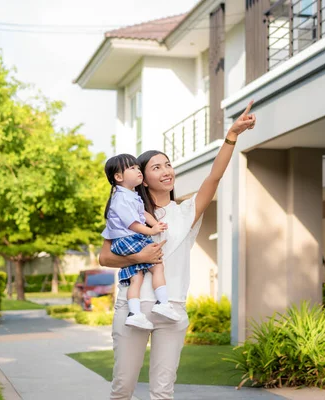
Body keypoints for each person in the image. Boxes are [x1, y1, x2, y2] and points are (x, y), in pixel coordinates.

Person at [99, 101, 256, 400]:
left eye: (168, 164)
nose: (167, 171)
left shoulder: (186, 212)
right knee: (122, 389)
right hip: (133, 309)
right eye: (156, 167)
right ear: (141, 177)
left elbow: (214, 177)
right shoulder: (126, 213)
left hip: (171, 309)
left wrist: (232, 135)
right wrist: (139, 257)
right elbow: (104, 257)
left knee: (163, 392)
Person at [102, 153, 181, 331]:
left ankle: (134, 314)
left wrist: (155, 223)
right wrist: (151, 230)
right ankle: (162, 302)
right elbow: (133, 223)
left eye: (138, 168)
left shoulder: (129, 195)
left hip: (125, 240)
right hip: (128, 238)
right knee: (157, 265)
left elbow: (142, 214)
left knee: (136, 278)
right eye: (132, 168)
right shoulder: (121, 198)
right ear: (118, 177)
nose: (138, 171)